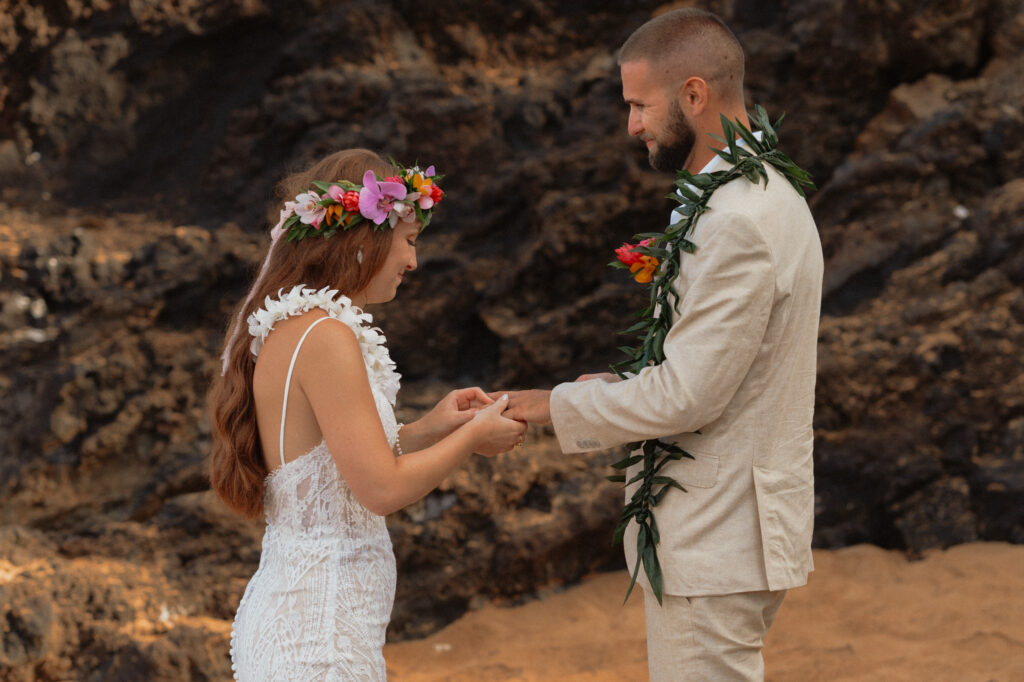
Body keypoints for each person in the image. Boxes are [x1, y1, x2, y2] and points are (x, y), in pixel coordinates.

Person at [502, 9, 823, 681]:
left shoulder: (737, 218)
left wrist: (549, 405)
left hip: (717, 536)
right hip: (741, 531)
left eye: (640, 105)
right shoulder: (759, 192)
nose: (632, 125)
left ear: (694, 94)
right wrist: (617, 388)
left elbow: (688, 396)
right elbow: (721, 368)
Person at [207, 148, 526, 681]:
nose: (413, 261)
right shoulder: (324, 337)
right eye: (409, 240)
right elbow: (379, 489)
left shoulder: (302, 326)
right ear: (364, 240)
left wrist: (433, 427)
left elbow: (333, 464)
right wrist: (473, 438)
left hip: (314, 619)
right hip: (319, 637)